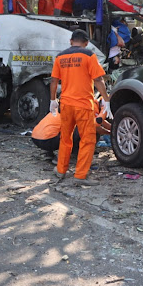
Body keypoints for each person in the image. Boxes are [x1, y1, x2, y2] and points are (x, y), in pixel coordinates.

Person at [50, 29, 112, 185]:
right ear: (86, 43)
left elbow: (53, 81)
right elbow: (98, 80)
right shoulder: (88, 55)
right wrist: (106, 99)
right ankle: (80, 176)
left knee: (65, 138)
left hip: (65, 104)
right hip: (83, 105)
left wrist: (53, 100)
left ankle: (61, 171)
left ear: (71, 41)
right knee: (88, 140)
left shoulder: (60, 57)